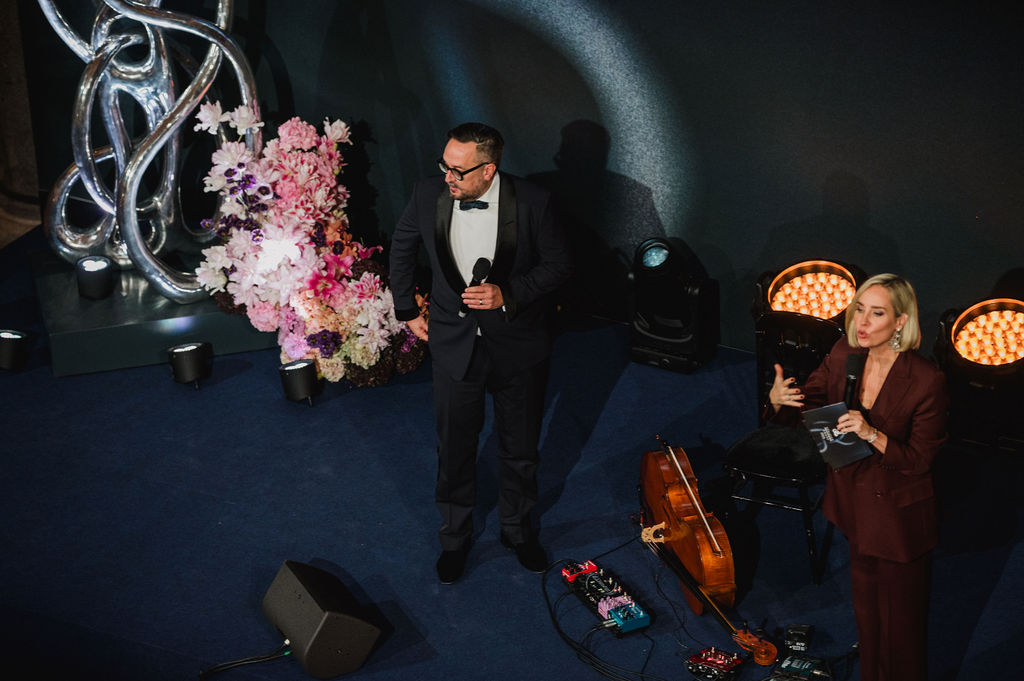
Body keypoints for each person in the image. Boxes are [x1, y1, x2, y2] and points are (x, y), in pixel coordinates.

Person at [388, 122, 573, 584]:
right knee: (454, 448)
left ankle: (517, 529)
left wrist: (508, 294)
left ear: (489, 169)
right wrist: (406, 309)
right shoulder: (427, 194)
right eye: (444, 165)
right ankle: (455, 537)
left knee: (520, 447)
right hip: (453, 344)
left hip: (518, 345)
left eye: (458, 171)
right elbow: (402, 246)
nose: (447, 177)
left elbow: (559, 265)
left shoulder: (533, 201)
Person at [767, 273, 947, 681]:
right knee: (867, 614)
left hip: (897, 520)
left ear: (900, 321)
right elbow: (812, 403)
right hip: (853, 506)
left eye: (877, 313)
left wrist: (872, 434)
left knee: (901, 626)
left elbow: (920, 460)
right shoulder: (845, 350)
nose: (862, 322)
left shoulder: (926, 380)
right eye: (859, 309)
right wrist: (779, 401)